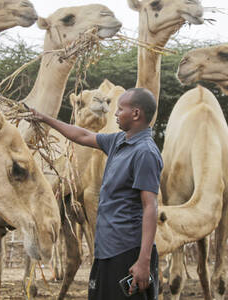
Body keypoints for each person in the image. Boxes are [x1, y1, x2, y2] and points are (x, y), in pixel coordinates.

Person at [31, 87, 162, 300]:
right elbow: (82, 135)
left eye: (120, 109)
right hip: (106, 250)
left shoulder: (145, 152)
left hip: (129, 253)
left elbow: (150, 206)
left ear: (136, 114)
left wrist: (143, 261)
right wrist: (44, 118)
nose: (115, 113)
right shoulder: (119, 141)